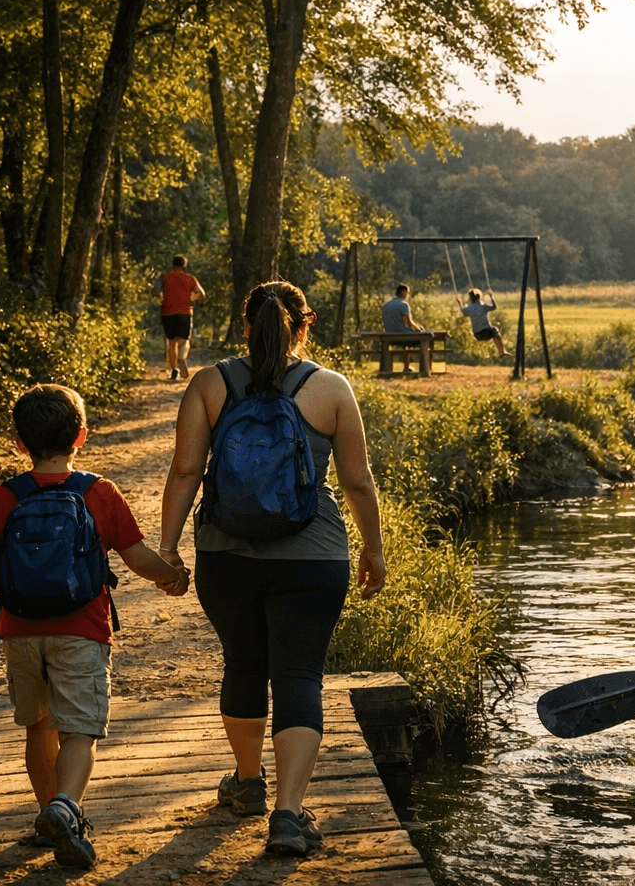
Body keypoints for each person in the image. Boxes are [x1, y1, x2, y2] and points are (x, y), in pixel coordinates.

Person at [160, 279, 388, 857]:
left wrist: (169, 547)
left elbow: (186, 472)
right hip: (313, 557)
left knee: (243, 664)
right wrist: (373, 548)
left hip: (225, 555)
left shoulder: (210, 384)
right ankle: (288, 816)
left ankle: (248, 783)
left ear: (244, 325)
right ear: (303, 327)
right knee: (298, 676)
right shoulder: (330, 388)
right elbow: (358, 482)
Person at [0, 384, 190, 869]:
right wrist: (172, 576)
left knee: (38, 726)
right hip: (82, 631)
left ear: (21, 443)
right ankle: (67, 807)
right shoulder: (99, 492)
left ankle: (48, 815)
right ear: (81, 436)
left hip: (19, 633)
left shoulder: (3, 498)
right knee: (80, 730)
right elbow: (136, 556)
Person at [154, 255, 207, 381]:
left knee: (171, 342)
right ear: (184, 266)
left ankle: (174, 370)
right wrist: (193, 298)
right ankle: (182, 359)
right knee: (183, 340)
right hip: (185, 312)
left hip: (167, 312)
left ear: (172, 265)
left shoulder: (164, 277)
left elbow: (155, 291)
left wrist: (161, 297)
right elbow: (202, 293)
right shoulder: (190, 279)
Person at [457, 287, 510, 357]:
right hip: (485, 332)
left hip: (477, 334)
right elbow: (494, 307)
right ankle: (502, 351)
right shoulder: (483, 306)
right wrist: (491, 296)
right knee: (496, 332)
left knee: (495, 335)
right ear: (479, 297)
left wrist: (460, 303)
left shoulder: (470, 308)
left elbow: (463, 312)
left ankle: (502, 352)